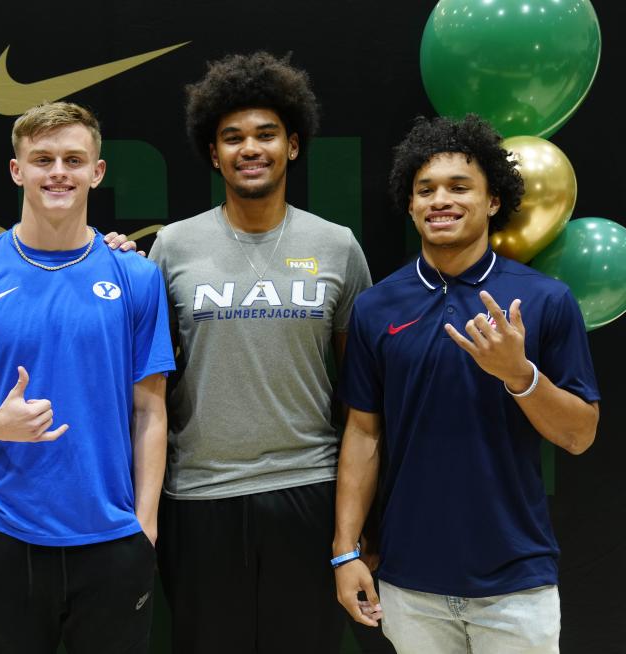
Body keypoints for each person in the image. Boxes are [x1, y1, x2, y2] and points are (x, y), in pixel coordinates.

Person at [333, 115, 600, 653]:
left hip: (516, 585)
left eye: (459, 187)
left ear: (493, 200)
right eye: (425, 190)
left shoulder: (545, 300)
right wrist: (345, 551)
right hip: (410, 584)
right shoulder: (375, 306)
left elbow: (580, 435)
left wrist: (519, 376)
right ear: (409, 205)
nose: (440, 201)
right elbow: (363, 434)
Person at [0, 101, 173, 654]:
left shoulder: (134, 275)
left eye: (72, 159)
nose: (58, 172)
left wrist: (145, 527)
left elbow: (151, 410)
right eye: (42, 159)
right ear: (17, 171)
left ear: (96, 171)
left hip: (113, 539)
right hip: (6, 537)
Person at [148, 51, 373, 653]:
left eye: (266, 134)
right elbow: (147, 382)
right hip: (198, 495)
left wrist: (355, 529)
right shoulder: (173, 246)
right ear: (214, 153)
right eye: (233, 137)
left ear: (292, 146)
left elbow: (364, 396)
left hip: (308, 490)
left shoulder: (337, 246)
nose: (251, 148)